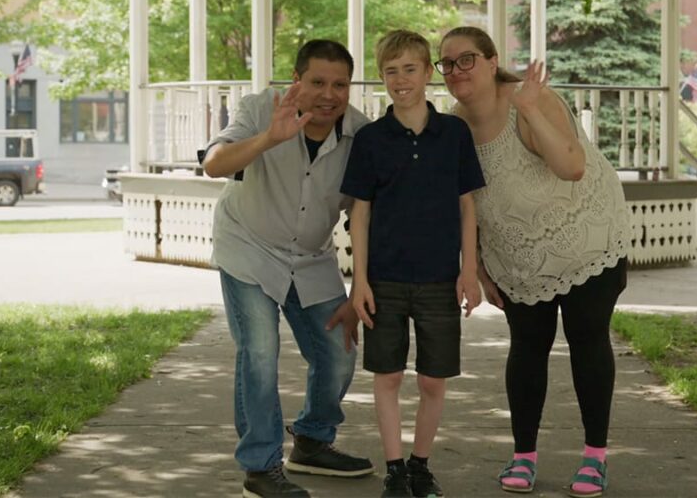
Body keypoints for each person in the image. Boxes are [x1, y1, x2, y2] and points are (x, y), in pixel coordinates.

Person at [437, 27, 630, 498]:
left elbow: (572, 167)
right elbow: (464, 203)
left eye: (467, 59)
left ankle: (595, 458)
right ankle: (523, 456)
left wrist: (529, 110)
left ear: (491, 61)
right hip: (517, 256)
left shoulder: (530, 100)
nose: (457, 70)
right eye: (447, 63)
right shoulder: (453, 127)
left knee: (587, 340)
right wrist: (478, 266)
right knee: (527, 347)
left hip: (587, 238)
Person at [202, 39, 375, 498]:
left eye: (340, 85)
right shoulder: (261, 109)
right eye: (317, 82)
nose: (329, 95)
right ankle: (260, 467)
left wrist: (359, 286)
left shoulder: (361, 135)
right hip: (249, 247)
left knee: (339, 349)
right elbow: (214, 165)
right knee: (260, 350)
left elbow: (365, 213)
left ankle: (313, 441)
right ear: (296, 80)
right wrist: (268, 139)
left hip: (311, 256)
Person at [340, 30, 485, 498]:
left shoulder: (454, 134)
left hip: (440, 279)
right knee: (387, 377)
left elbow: (467, 206)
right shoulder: (370, 139)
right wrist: (360, 281)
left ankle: (421, 466)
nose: (400, 79)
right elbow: (360, 213)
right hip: (384, 279)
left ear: (427, 73)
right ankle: (395, 470)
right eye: (391, 71)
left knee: (432, 380)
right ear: (382, 77)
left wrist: (469, 270)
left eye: (409, 69)